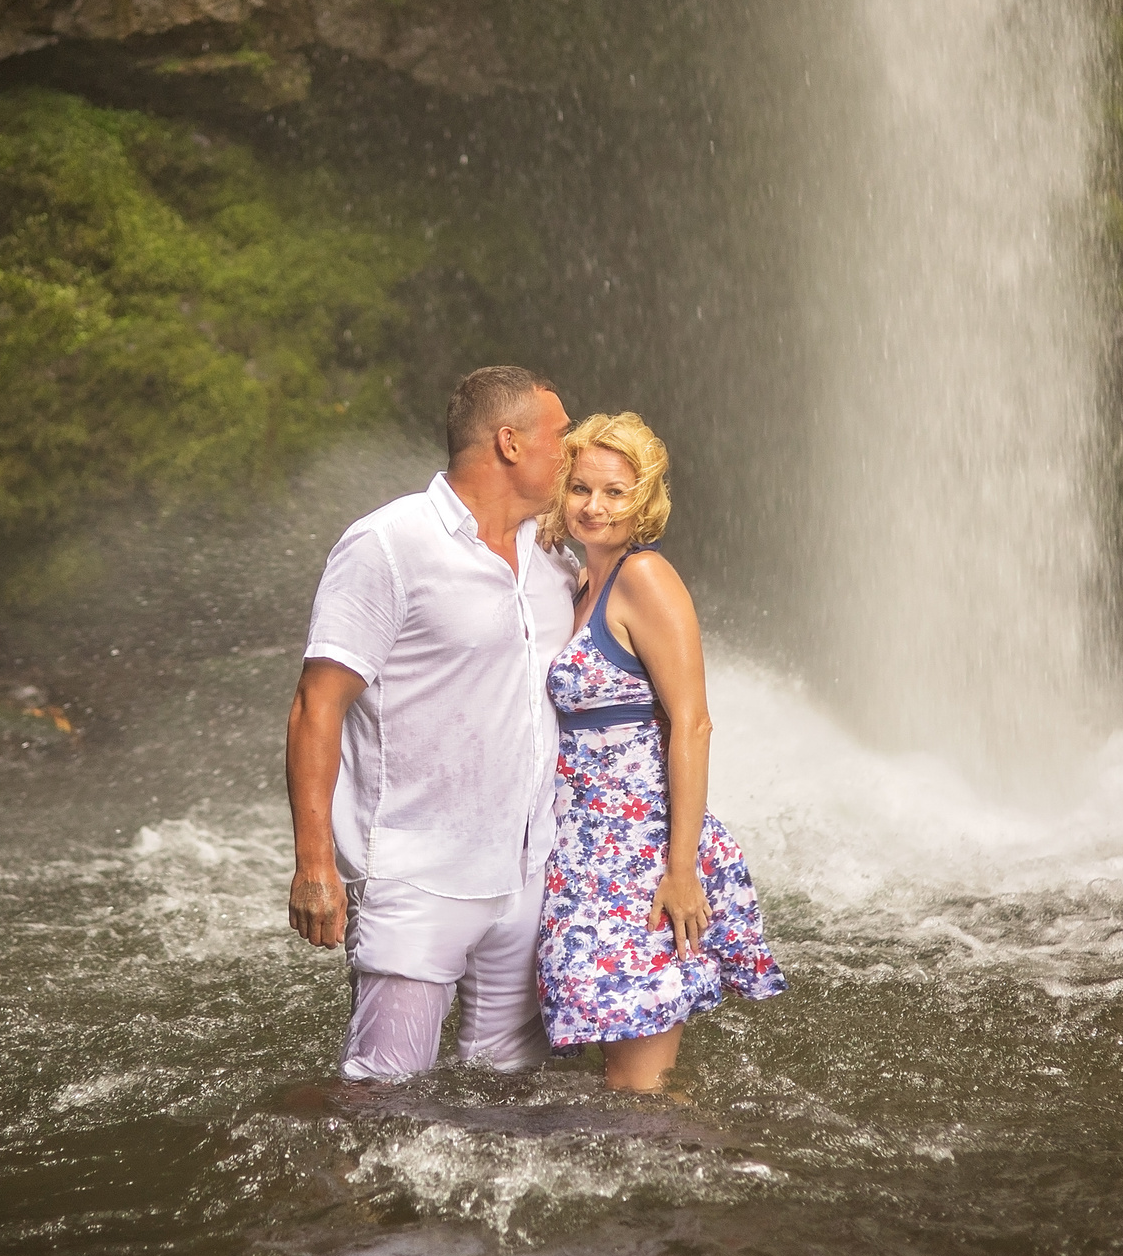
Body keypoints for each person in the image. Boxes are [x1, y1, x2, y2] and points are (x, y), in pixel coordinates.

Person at [285, 366, 577, 1080]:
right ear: (510, 443)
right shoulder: (389, 543)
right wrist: (315, 863)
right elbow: (316, 703)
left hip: (529, 873)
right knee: (381, 1095)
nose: (574, 451)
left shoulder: (555, 558)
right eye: (561, 437)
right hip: (418, 876)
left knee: (507, 1099)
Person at [538, 411, 784, 1091]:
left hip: (641, 861)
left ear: (644, 500)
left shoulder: (644, 577)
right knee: (616, 1081)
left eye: (615, 492)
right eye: (580, 487)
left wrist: (681, 870)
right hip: (588, 859)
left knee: (639, 1090)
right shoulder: (579, 583)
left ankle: (712, 1184)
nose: (594, 505)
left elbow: (693, 723)